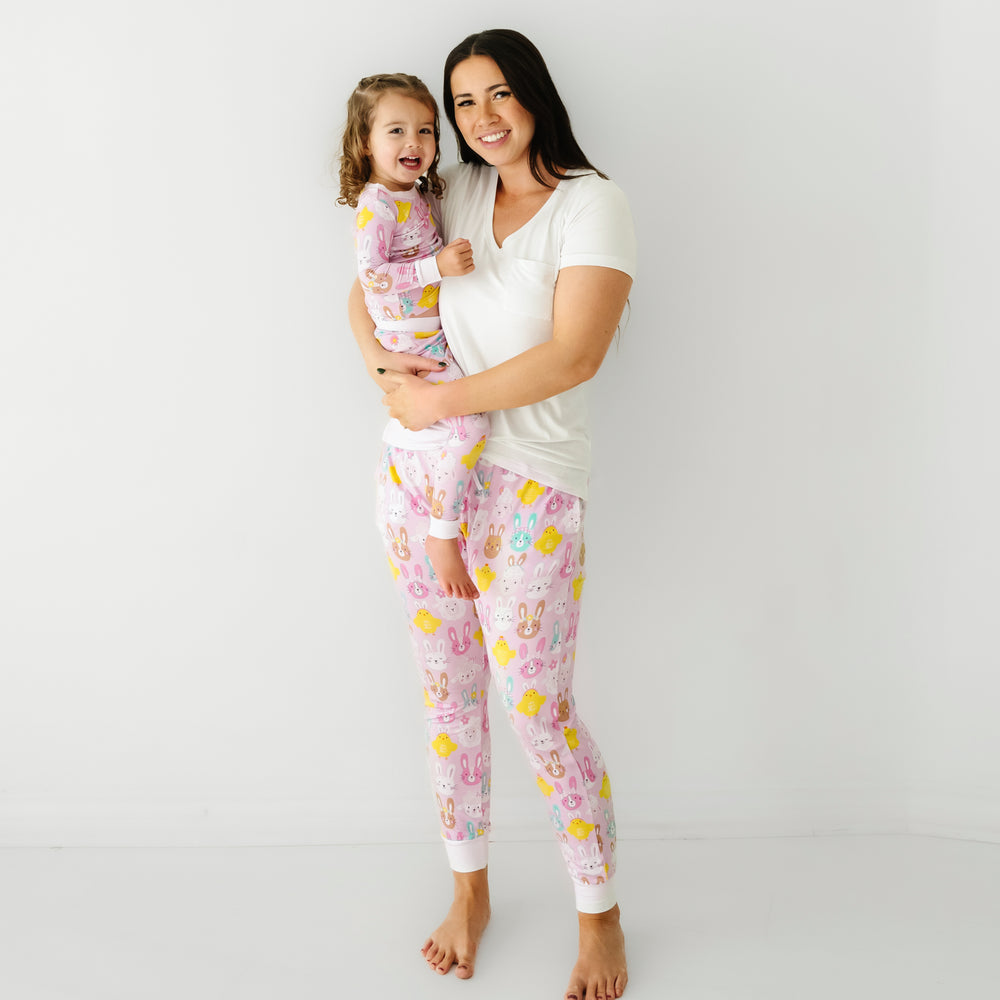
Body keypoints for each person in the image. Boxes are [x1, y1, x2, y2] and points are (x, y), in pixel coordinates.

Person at [348, 29, 636, 1000]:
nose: (483, 119)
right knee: (446, 691)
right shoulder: (452, 193)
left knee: (533, 705)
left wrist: (441, 401)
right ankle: (468, 890)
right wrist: (389, 375)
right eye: (464, 103)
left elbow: (574, 355)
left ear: (537, 96)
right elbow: (366, 285)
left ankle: (598, 910)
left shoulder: (593, 205)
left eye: (501, 94)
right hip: (427, 484)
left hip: (533, 489)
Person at [339, 73, 488, 599]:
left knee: (461, 425)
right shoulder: (377, 204)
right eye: (396, 131)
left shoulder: (417, 194)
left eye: (425, 131)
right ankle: (440, 536)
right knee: (469, 427)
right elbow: (372, 276)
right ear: (365, 143)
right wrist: (437, 267)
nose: (414, 144)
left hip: (432, 337)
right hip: (412, 342)